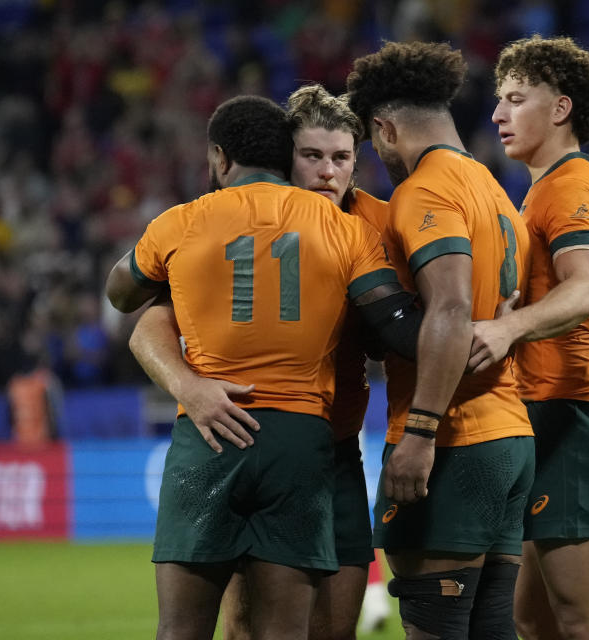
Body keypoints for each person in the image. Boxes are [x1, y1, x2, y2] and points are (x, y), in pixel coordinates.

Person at [105, 94, 420, 640]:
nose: (327, 171)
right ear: (286, 156)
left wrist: (190, 377)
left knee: (179, 628)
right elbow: (397, 327)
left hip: (211, 433)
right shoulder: (352, 230)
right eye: (313, 156)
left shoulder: (183, 221)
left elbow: (122, 294)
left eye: (340, 158)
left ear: (220, 159)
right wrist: (477, 326)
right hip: (305, 440)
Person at [345, 41, 534, 639]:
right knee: (492, 629)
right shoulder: (493, 188)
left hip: (452, 440)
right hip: (508, 435)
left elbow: (452, 304)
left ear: (384, 128)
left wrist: (421, 432)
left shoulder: (424, 190)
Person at [470, 35, 589, 640]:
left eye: (516, 98)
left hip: (576, 417)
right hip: (546, 415)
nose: (498, 114)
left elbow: (584, 288)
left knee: (581, 616)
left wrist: (508, 326)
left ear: (561, 109)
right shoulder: (542, 188)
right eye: (499, 100)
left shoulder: (569, 188)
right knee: (533, 618)